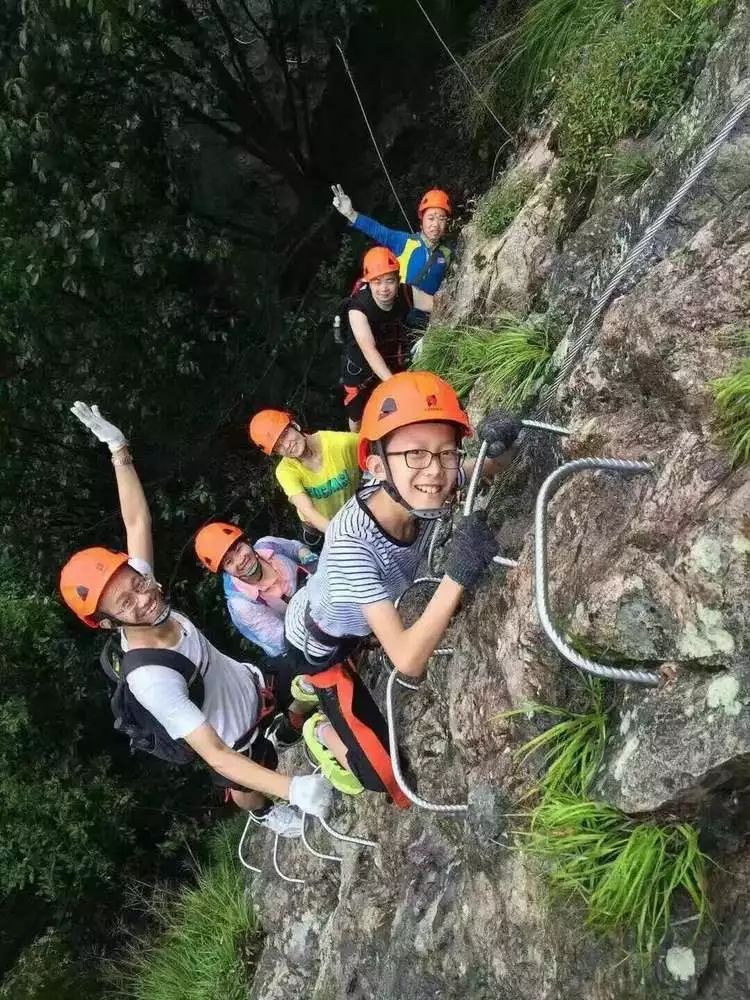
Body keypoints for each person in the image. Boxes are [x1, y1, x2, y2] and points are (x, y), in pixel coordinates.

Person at [59, 402, 332, 829]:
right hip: (233, 738)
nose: (142, 598)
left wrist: (119, 451)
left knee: (310, 675)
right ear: (109, 623)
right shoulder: (150, 678)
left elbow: (136, 520)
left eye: (136, 583)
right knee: (246, 783)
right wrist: (292, 789)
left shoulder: (142, 591)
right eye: (125, 604)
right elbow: (218, 754)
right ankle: (267, 816)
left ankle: (289, 725)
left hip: (252, 683)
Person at [282, 371, 521, 799]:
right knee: (384, 776)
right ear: (376, 467)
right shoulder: (353, 543)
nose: (434, 470)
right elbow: (408, 661)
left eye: (446, 453)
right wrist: (458, 573)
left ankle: (310, 689)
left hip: (355, 614)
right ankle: (314, 717)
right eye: (415, 455)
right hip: (316, 643)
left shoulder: (420, 483)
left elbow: (485, 468)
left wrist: (501, 441)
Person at [332, 183, 452, 328]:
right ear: (422, 220)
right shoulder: (405, 241)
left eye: (441, 219)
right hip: (395, 317)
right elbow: (378, 230)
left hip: (425, 323)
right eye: (431, 218)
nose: (436, 224)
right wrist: (351, 213)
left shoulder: (447, 254)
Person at [194, 521, 317, 659]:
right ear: (226, 572)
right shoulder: (244, 604)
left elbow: (295, 548)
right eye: (229, 562)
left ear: (247, 542)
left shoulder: (267, 545)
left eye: (239, 549)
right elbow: (283, 638)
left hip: (315, 591)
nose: (241, 560)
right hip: (301, 639)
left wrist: (309, 559)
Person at [248, 409, 360, 546]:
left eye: (284, 435)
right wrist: (340, 537)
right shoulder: (285, 471)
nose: (286, 445)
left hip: (353, 515)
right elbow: (308, 510)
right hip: (320, 529)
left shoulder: (338, 443)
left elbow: (371, 444)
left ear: (294, 425)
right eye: (278, 446)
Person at [341, 246, 413, 432]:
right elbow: (368, 349)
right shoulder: (357, 308)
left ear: (398, 280)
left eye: (389, 281)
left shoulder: (404, 293)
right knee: (356, 415)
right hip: (361, 369)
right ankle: (357, 446)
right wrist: (393, 383)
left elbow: (438, 301)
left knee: (390, 406)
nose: (384, 288)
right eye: (377, 282)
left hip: (391, 358)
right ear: (368, 282)